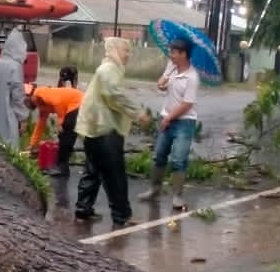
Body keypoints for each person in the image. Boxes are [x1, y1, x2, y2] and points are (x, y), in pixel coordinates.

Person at [75, 37, 138, 226]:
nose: (128, 55)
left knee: (93, 170)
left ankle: (83, 209)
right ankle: (122, 215)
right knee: (114, 174)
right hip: (104, 130)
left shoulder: (108, 68)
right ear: (115, 50)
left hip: (94, 129)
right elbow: (114, 96)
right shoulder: (109, 69)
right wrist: (137, 112)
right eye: (125, 50)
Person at [140, 36, 201, 211]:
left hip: (184, 122)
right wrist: (162, 84)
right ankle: (154, 190)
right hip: (166, 117)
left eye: (174, 52)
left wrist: (169, 118)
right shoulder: (172, 67)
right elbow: (162, 82)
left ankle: (178, 196)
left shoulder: (192, 77)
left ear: (184, 54)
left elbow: (187, 104)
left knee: (179, 159)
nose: (171, 55)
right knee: (159, 155)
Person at [26, 71, 84, 179]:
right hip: (72, 106)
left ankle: (62, 167)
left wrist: (60, 122)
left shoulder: (40, 93)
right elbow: (40, 125)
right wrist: (33, 144)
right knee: (64, 135)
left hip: (77, 102)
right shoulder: (41, 105)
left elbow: (57, 101)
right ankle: (62, 166)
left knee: (67, 131)